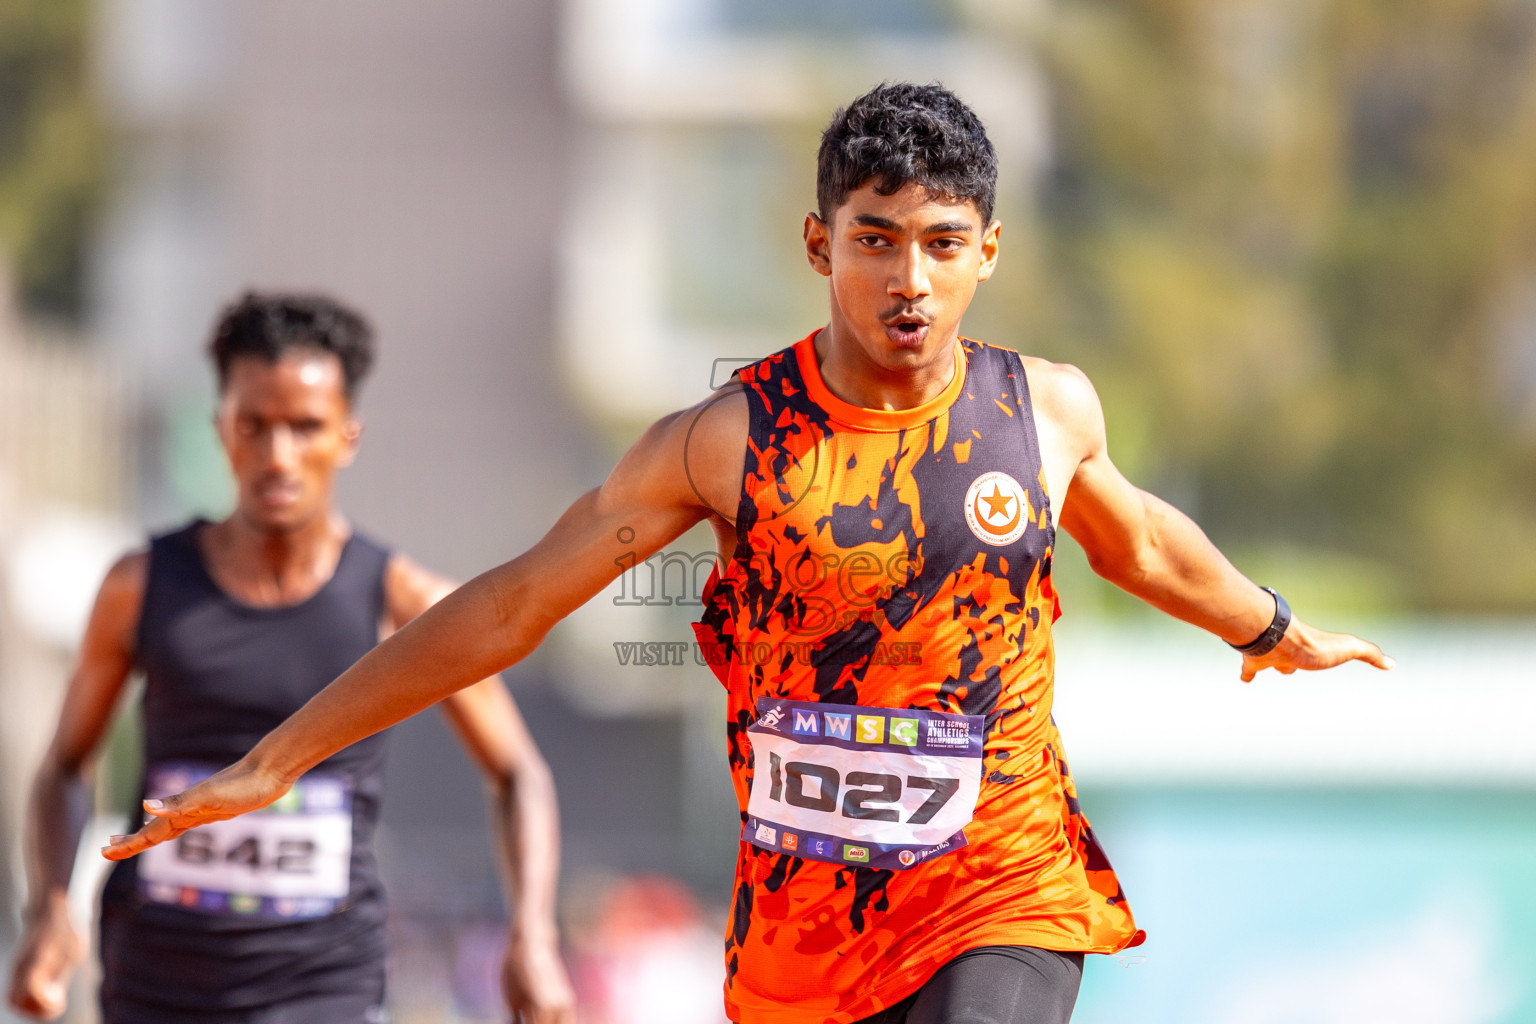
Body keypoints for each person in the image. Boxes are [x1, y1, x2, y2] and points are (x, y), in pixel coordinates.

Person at [100, 86, 1392, 1024]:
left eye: (943, 245)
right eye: (877, 236)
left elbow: (1147, 543)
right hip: (803, 936)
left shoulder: (1043, 411)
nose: (910, 279)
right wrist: (277, 757)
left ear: (986, 253)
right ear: (820, 241)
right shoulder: (723, 442)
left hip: (999, 884)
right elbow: (510, 607)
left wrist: (1272, 630)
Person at [7, 294, 576, 1024]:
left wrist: (533, 932)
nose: (278, 456)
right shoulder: (141, 586)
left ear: (348, 436)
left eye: (305, 427)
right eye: (255, 426)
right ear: (221, 431)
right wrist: (51, 908)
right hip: (158, 977)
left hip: (323, 983)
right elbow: (63, 765)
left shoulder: (404, 600)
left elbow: (517, 771)